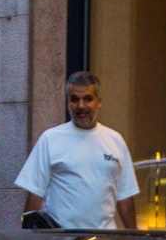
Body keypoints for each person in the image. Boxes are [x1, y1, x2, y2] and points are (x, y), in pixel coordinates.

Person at [15, 72, 137, 230]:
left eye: (88, 99)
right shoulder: (50, 139)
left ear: (99, 101)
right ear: (67, 102)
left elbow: (125, 197)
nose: (81, 106)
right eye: (75, 99)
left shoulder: (115, 141)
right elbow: (35, 194)